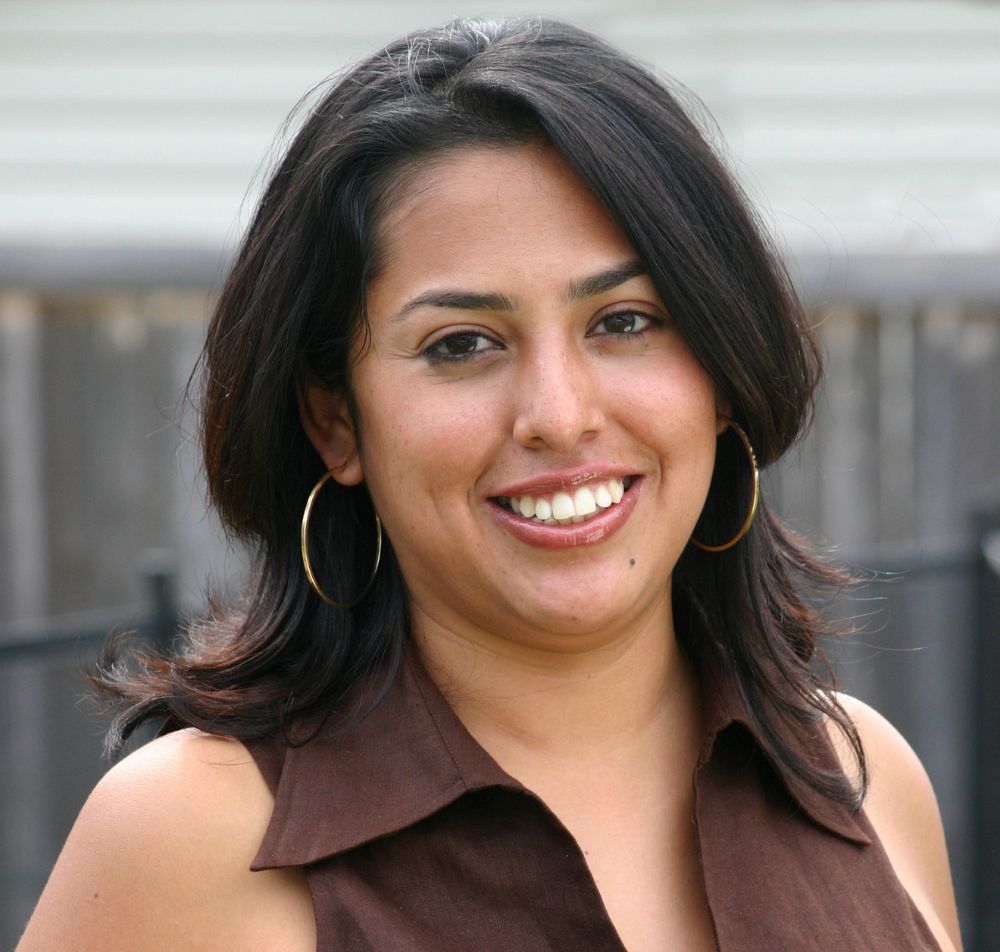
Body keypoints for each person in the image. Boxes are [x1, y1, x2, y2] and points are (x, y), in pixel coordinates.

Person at [18, 16, 961, 952]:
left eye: (625, 321)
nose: (557, 413)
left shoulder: (866, 781)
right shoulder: (190, 843)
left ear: (720, 370)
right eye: (461, 344)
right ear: (336, 421)